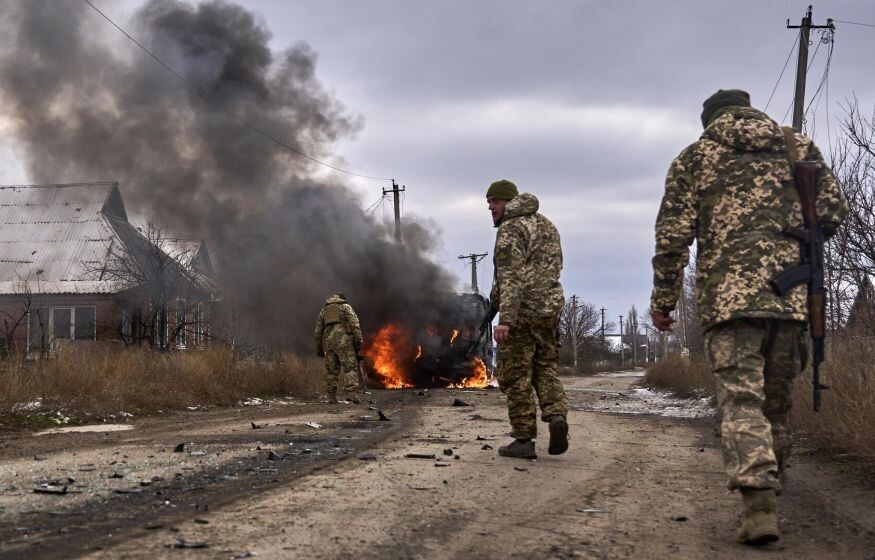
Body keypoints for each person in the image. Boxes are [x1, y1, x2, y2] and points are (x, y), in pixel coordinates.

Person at [649, 89, 847, 545]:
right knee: (776, 405)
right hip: (793, 301)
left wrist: (664, 301)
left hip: (729, 305)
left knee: (741, 402)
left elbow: (672, 238)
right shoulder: (797, 147)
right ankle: (772, 491)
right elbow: (834, 212)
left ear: (709, 121)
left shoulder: (695, 157)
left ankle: (759, 505)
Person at [487, 179, 569, 459]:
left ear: (509, 202)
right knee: (545, 367)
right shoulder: (547, 225)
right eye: (488, 202)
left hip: (521, 313)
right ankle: (556, 415)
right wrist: (492, 303)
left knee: (516, 376)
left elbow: (510, 276)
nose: (490, 207)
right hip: (549, 311)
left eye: (494, 201)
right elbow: (554, 266)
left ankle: (523, 440)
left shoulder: (511, 228)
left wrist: (505, 318)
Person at [314, 293, 364, 404]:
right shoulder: (346, 307)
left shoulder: (324, 311)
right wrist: (358, 341)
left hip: (330, 345)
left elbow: (318, 332)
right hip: (344, 343)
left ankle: (331, 397)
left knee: (332, 371)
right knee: (350, 368)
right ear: (342, 299)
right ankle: (352, 394)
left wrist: (319, 349)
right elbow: (355, 324)